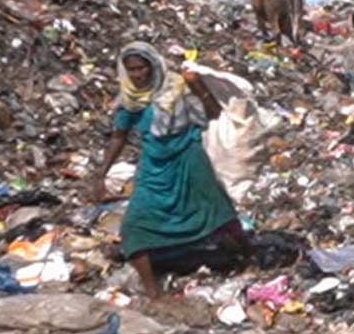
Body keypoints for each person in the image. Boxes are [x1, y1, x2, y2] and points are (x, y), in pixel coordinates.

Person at [86, 43, 250, 299]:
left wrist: (197, 85)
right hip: (154, 168)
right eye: (132, 70)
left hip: (189, 159)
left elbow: (212, 113)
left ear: (153, 65)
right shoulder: (130, 100)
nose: (138, 75)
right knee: (134, 225)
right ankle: (153, 293)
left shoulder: (177, 87)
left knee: (217, 212)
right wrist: (100, 174)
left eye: (142, 68)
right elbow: (119, 137)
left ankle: (248, 256)